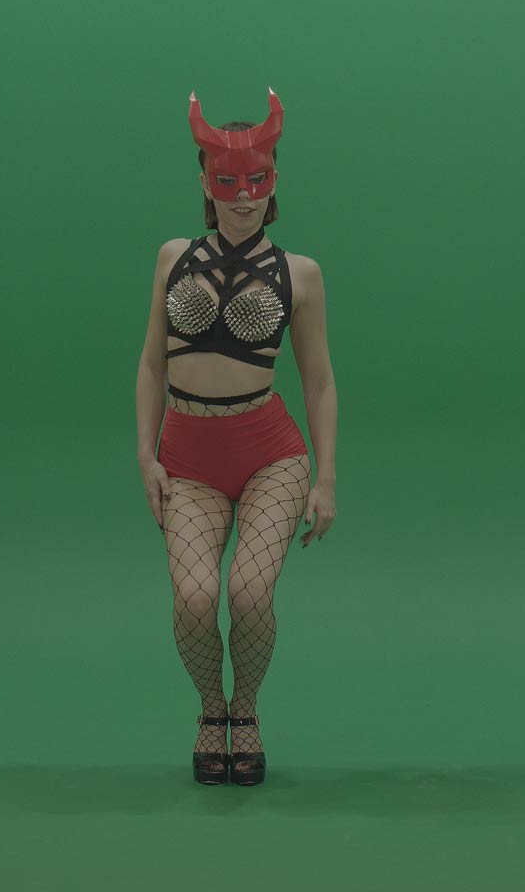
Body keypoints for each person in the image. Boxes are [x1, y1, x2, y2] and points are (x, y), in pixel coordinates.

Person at [134, 88, 339, 786]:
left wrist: (326, 478)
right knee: (195, 600)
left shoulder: (300, 274)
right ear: (204, 182)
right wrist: (144, 455)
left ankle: (245, 709)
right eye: (228, 182)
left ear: (274, 181)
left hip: (270, 453)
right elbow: (151, 364)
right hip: (187, 456)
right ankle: (210, 708)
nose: (244, 196)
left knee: (249, 593)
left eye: (256, 180)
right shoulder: (172, 257)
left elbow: (319, 382)